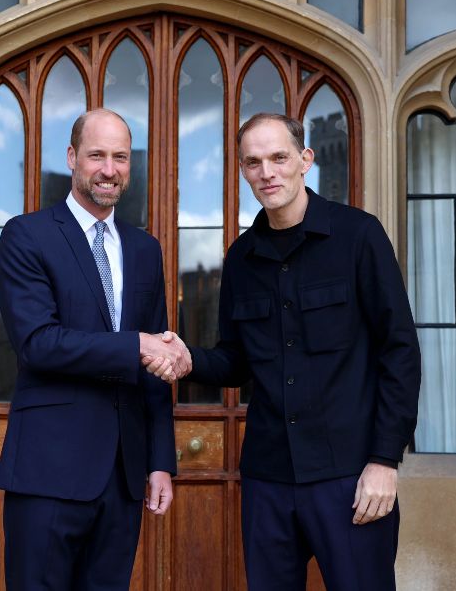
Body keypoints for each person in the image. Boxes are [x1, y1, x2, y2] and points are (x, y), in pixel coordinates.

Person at [148, 113, 421, 590]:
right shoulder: (241, 257)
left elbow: (399, 351)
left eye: (278, 157)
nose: (267, 172)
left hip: (352, 474)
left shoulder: (359, 236)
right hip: (268, 479)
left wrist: (384, 461)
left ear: (305, 160)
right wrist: (189, 358)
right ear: (241, 170)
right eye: (253, 162)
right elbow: (236, 361)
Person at [0, 108, 191, 591]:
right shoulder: (27, 234)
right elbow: (39, 344)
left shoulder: (145, 250)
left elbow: (155, 365)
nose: (109, 169)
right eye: (96, 155)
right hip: (48, 473)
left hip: (123, 479)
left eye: (120, 157)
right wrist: (135, 344)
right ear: (72, 158)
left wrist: (160, 460)